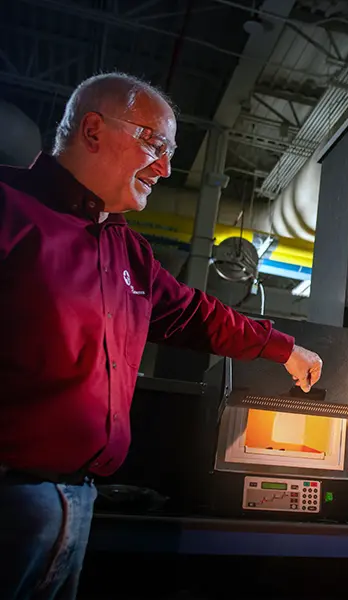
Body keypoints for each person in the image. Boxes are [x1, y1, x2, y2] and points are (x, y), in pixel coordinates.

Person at [0, 72, 323, 600]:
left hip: (77, 502)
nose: (166, 168)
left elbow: (196, 315)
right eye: (154, 144)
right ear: (93, 129)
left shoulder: (127, 250)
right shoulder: (9, 209)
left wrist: (284, 348)